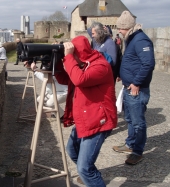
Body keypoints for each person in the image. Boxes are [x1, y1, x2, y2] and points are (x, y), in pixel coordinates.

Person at [55, 36, 117, 187]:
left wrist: (69, 57)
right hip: (86, 117)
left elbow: (79, 80)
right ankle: (90, 176)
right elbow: (66, 79)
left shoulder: (101, 66)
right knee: (72, 149)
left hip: (99, 120)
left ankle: (89, 175)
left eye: (72, 53)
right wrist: (56, 60)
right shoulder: (83, 65)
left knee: (83, 168)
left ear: (80, 53)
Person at [112, 11, 155, 165]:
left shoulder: (141, 40)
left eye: (121, 29)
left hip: (136, 88)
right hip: (128, 87)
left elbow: (148, 64)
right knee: (130, 119)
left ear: (128, 27)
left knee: (138, 122)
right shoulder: (132, 39)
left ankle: (137, 151)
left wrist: (136, 83)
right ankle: (130, 144)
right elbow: (130, 60)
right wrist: (121, 74)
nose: (119, 31)